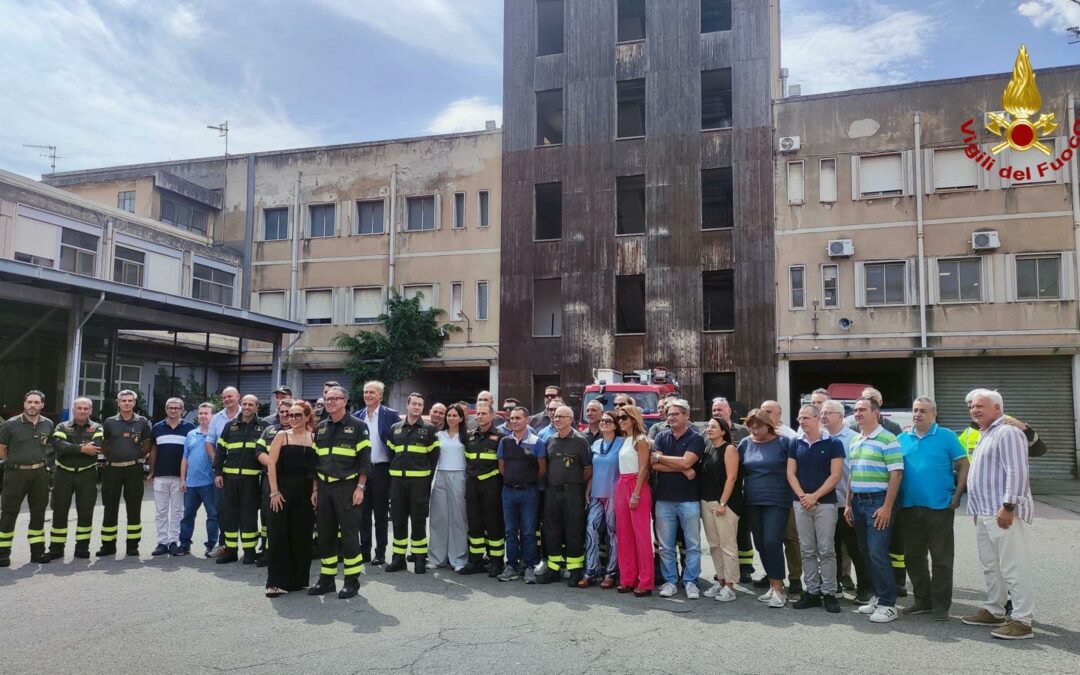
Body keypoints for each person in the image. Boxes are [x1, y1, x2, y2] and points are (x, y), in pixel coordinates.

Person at [961, 389, 1035, 640]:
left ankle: (1022, 621)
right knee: (991, 566)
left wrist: (1009, 506)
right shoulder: (984, 432)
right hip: (984, 511)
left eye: (981, 406)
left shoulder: (1008, 432)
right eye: (972, 407)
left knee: (1013, 566)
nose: (974, 410)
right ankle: (994, 610)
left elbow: (1017, 472)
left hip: (1001, 511)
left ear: (997, 408)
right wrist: (976, 509)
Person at [898, 396, 969, 621]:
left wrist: (958, 494)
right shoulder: (902, 438)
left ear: (934, 414)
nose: (918, 414)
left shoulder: (946, 436)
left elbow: (964, 464)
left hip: (940, 507)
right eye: (915, 410)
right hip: (909, 507)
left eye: (923, 411)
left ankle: (941, 605)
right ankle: (922, 601)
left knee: (941, 559)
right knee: (912, 556)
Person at [845, 396, 904, 624]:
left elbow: (896, 475)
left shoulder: (888, 439)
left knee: (878, 552)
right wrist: (849, 504)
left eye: (862, 410)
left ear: (876, 413)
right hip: (858, 502)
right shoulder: (855, 440)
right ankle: (878, 598)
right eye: (856, 410)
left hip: (878, 502)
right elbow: (852, 474)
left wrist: (887, 507)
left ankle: (889, 604)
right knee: (866, 552)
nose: (857, 413)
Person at [309, 385, 370, 598]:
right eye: (327, 398)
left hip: (347, 488)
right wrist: (315, 489)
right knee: (325, 534)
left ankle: (352, 581)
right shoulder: (321, 428)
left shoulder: (358, 426)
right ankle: (327, 580)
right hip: (324, 489)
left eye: (335, 398)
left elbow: (364, 461)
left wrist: (360, 488)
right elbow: (316, 462)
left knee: (349, 535)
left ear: (345, 401)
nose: (330, 402)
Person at [787, 404, 845, 613]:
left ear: (817, 418)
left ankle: (829, 592)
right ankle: (812, 592)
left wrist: (815, 496)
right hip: (801, 503)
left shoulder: (834, 443)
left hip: (826, 504)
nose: (801, 421)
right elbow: (791, 473)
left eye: (806, 418)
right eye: (799, 418)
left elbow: (835, 475)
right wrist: (803, 496)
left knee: (827, 550)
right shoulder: (795, 443)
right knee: (807, 550)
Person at [649, 398, 704, 600]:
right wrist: (682, 467)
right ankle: (670, 581)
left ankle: (690, 581)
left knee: (693, 544)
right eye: (669, 414)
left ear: (686, 416)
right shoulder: (662, 436)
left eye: (675, 414)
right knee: (665, 545)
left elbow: (687, 461)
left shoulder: (696, 438)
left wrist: (662, 458)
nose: (670, 417)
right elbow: (653, 466)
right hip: (664, 499)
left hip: (689, 499)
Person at [739, 408, 793, 608]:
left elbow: (794, 469)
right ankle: (773, 583)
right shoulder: (745, 444)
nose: (754, 429)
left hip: (777, 500)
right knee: (760, 543)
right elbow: (737, 472)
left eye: (758, 425)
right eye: (751, 425)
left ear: (768, 424)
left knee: (772, 541)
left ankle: (779, 588)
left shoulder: (784, 443)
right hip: (753, 500)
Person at [264, 401, 317, 597]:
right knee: (278, 536)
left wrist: (315, 491)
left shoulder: (313, 438)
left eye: (297, 415)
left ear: (307, 417)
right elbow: (271, 465)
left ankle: (298, 580)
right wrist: (274, 492)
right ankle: (275, 582)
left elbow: (315, 470)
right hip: (282, 493)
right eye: (290, 415)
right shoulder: (281, 436)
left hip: (304, 495)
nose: (292, 418)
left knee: (302, 536)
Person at [536, 405, 591, 586]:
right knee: (552, 531)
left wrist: (574, 485)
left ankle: (575, 570)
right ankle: (553, 568)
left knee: (574, 530)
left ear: (570, 419)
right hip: (553, 492)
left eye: (562, 417)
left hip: (572, 492)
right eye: (555, 416)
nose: (557, 419)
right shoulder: (550, 440)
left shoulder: (580, 441)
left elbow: (587, 470)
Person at [822, 399, 870, 602]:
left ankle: (865, 589)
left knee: (854, 547)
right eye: (821, 413)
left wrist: (850, 502)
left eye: (828, 413)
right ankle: (836, 585)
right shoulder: (820, 437)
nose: (823, 416)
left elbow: (855, 472)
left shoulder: (853, 438)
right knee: (831, 547)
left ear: (840, 417)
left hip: (846, 502)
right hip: (826, 502)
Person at [386, 392, 440, 573]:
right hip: (397, 483)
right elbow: (390, 454)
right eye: (414, 404)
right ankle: (398, 558)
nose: (416, 407)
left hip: (419, 483)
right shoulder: (395, 428)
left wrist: (426, 480)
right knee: (399, 521)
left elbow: (434, 458)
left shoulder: (430, 429)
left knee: (418, 521)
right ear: (407, 405)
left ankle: (419, 558)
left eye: (420, 405)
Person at [213, 394, 270, 564]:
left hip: (251, 481)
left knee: (248, 516)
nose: (246, 407)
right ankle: (230, 551)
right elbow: (220, 450)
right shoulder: (230, 426)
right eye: (244, 404)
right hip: (230, 479)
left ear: (256, 407)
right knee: (229, 515)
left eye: (250, 404)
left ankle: (249, 551)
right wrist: (218, 472)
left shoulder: (264, 427)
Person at [0, 390, 54, 566]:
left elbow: (49, 447)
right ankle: (3, 553)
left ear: (42, 405)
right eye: (29, 402)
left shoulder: (48, 424)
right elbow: (2, 449)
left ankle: (37, 553)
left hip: (39, 474)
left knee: (38, 512)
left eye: (36, 402)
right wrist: (14, 462)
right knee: (9, 513)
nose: (32, 405)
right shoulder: (10, 425)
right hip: (16, 473)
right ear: (24, 404)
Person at [97, 389, 153, 558]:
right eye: (124, 400)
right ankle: (108, 545)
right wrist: (111, 458)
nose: (127, 403)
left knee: (134, 508)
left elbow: (147, 445)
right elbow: (104, 445)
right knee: (110, 507)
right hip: (113, 469)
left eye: (130, 400)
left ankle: (132, 545)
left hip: (133, 470)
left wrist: (137, 458)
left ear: (134, 403)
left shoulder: (142, 422)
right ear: (118, 403)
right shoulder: (109, 422)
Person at [48, 396, 102, 560]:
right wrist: (81, 449)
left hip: (87, 474)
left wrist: (72, 448)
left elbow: (96, 447)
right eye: (79, 408)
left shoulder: (97, 427)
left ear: (90, 411)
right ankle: (56, 549)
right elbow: (59, 446)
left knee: (86, 511)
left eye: (86, 409)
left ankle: (82, 549)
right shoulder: (61, 426)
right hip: (63, 474)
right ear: (73, 410)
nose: (82, 411)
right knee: (59, 511)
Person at [497, 406, 546, 583]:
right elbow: (502, 467)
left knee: (528, 532)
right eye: (511, 418)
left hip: (529, 493)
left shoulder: (536, 442)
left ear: (527, 420)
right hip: (509, 492)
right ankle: (511, 565)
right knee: (510, 531)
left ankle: (529, 567)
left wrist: (527, 480)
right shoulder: (504, 442)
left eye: (518, 418)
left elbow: (542, 469)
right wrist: (513, 480)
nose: (514, 421)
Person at [353, 380, 398, 566]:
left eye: (372, 392)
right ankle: (364, 551)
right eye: (365, 392)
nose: (368, 395)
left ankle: (380, 552)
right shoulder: (357, 416)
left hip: (382, 470)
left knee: (380, 514)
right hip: (362, 471)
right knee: (362, 514)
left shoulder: (391, 415)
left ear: (380, 395)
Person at [459, 402, 505, 577]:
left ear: (492, 415)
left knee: (493, 524)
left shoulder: (500, 437)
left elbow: (502, 465)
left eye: (484, 413)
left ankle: (496, 562)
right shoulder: (470, 436)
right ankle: (475, 560)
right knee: (475, 523)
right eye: (478, 413)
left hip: (491, 486)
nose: (480, 416)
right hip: (472, 485)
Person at [699, 416, 742, 603]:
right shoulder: (707, 448)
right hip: (706, 502)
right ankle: (721, 580)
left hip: (724, 504)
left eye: (713, 426)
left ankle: (731, 586)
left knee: (728, 546)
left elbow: (731, 478)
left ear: (723, 431)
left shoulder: (730, 449)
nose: (709, 429)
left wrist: (723, 503)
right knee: (714, 545)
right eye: (708, 426)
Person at [712, 396, 753, 582]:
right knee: (721, 535)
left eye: (720, 409)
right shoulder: (709, 433)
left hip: (740, 489)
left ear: (729, 411)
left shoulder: (743, 432)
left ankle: (745, 568)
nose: (717, 412)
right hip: (717, 490)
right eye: (714, 410)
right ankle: (724, 569)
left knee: (742, 531)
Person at [615, 406, 654, 596]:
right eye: (619, 417)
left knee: (641, 535)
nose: (620, 420)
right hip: (621, 485)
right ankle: (628, 578)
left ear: (633, 419)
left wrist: (636, 494)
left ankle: (645, 582)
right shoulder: (625, 440)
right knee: (624, 535)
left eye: (624, 417)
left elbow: (644, 469)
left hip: (636, 485)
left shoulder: (641, 440)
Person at [148, 397, 195, 556]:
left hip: (180, 477)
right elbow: (153, 450)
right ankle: (162, 542)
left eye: (177, 408)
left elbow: (191, 453)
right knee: (161, 511)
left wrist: (187, 476)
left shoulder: (189, 428)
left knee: (177, 511)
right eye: (170, 408)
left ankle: (173, 541)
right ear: (166, 409)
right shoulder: (157, 427)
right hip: (160, 475)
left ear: (181, 410)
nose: (173, 410)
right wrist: (151, 471)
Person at [582, 410, 620, 589]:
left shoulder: (623, 443)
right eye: (602, 420)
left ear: (615, 425)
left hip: (614, 495)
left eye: (608, 420)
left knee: (613, 534)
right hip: (597, 494)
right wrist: (587, 491)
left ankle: (611, 572)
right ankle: (591, 570)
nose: (603, 423)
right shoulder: (596, 444)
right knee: (591, 529)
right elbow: (592, 472)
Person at [429, 404, 469, 571]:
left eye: (455, 415)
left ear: (461, 418)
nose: (451, 418)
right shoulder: (439, 435)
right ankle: (437, 558)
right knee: (439, 518)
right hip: (441, 476)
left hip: (459, 476)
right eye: (449, 415)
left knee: (458, 519)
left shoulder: (466, 437)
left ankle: (458, 559)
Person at [255, 398, 293, 567]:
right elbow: (258, 451)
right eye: (282, 412)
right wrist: (273, 463)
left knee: (291, 517)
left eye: (288, 412)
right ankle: (268, 552)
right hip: (270, 479)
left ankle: (289, 551)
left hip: (292, 480)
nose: (285, 415)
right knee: (268, 516)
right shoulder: (269, 430)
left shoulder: (302, 432)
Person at [179, 403, 219, 557]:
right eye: (200, 413)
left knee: (213, 516)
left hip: (209, 483)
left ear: (213, 416)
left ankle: (211, 546)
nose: (202, 416)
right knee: (188, 515)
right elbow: (185, 458)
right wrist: (182, 479)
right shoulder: (191, 434)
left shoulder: (216, 435)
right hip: (190, 484)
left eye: (206, 413)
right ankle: (184, 544)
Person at [205, 386, 240, 556]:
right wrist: (216, 463)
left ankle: (250, 547)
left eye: (230, 396)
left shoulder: (248, 415)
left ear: (238, 397)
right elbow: (209, 442)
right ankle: (224, 544)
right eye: (224, 397)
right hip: (222, 472)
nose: (227, 399)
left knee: (244, 509)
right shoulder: (217, 418)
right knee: (221, 508)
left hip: (243, 472)